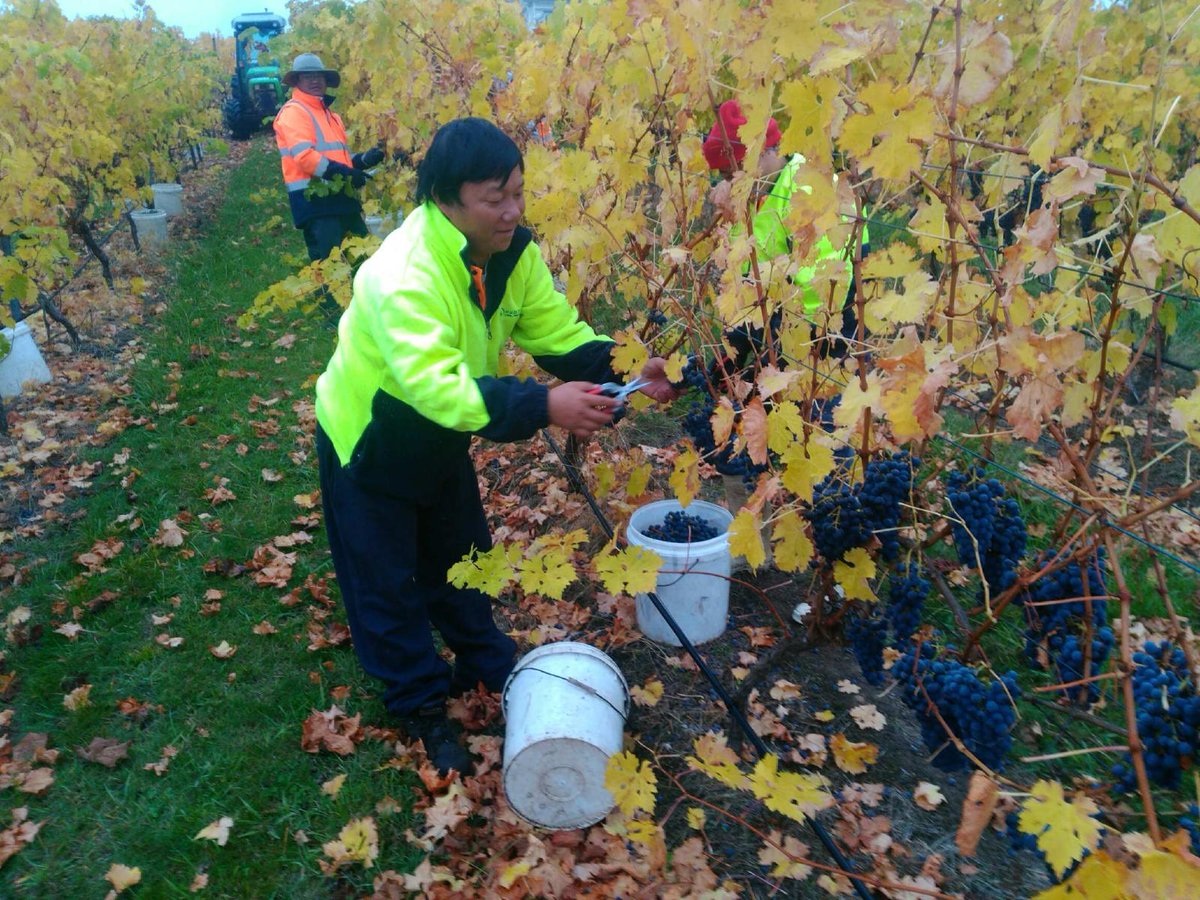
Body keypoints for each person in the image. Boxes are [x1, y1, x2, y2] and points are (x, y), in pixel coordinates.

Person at [314, 117, 677, 775]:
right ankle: (420, 702)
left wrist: (624, 369)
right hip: (370, 442)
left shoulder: (512, 254)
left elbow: (557, 333)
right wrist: (543, 405)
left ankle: (484, 661)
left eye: (517, 192)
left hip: (443, 435)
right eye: (494, 198)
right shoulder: (402, 272)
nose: (512, 211)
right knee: (385, 581)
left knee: (463, 555)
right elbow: (436, 386)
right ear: (445, 199)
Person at [702, 99, 868, 360]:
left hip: (828, 327)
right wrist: (737, 344)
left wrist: (768, 336)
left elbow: (820, 298)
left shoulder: (810, 191)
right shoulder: (754, 194)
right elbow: (749, 273)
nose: (733, 183)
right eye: (726, 177)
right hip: (782, 320)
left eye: (736, 172)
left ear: (764, 152)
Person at [273, 53, 384, 317]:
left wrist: (363, 160)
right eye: (307, 76)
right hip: (315, 201)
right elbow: (305, 157)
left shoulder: (330, 115)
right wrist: (347, 174)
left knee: (361, 253)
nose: (315, 80)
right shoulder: (294, 112)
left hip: (341, 198)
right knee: (327, 260)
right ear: (297, 81)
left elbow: (338, 159)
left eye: (319, 76)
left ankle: (364, 307)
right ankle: (332, 315)